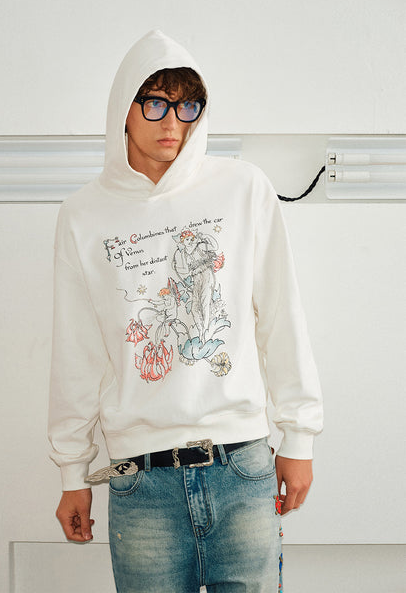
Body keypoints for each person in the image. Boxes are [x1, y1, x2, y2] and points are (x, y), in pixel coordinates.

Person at [48, 30, 323, 593]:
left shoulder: (242, 187)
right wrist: (72, 470)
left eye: (188, 105)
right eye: (155, 103)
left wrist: (299, 437)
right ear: (123, 110)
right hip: (140, 483)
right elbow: (77, 351)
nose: (173, 122)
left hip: (240, 466)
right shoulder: (83, 215)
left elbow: (280, 316)